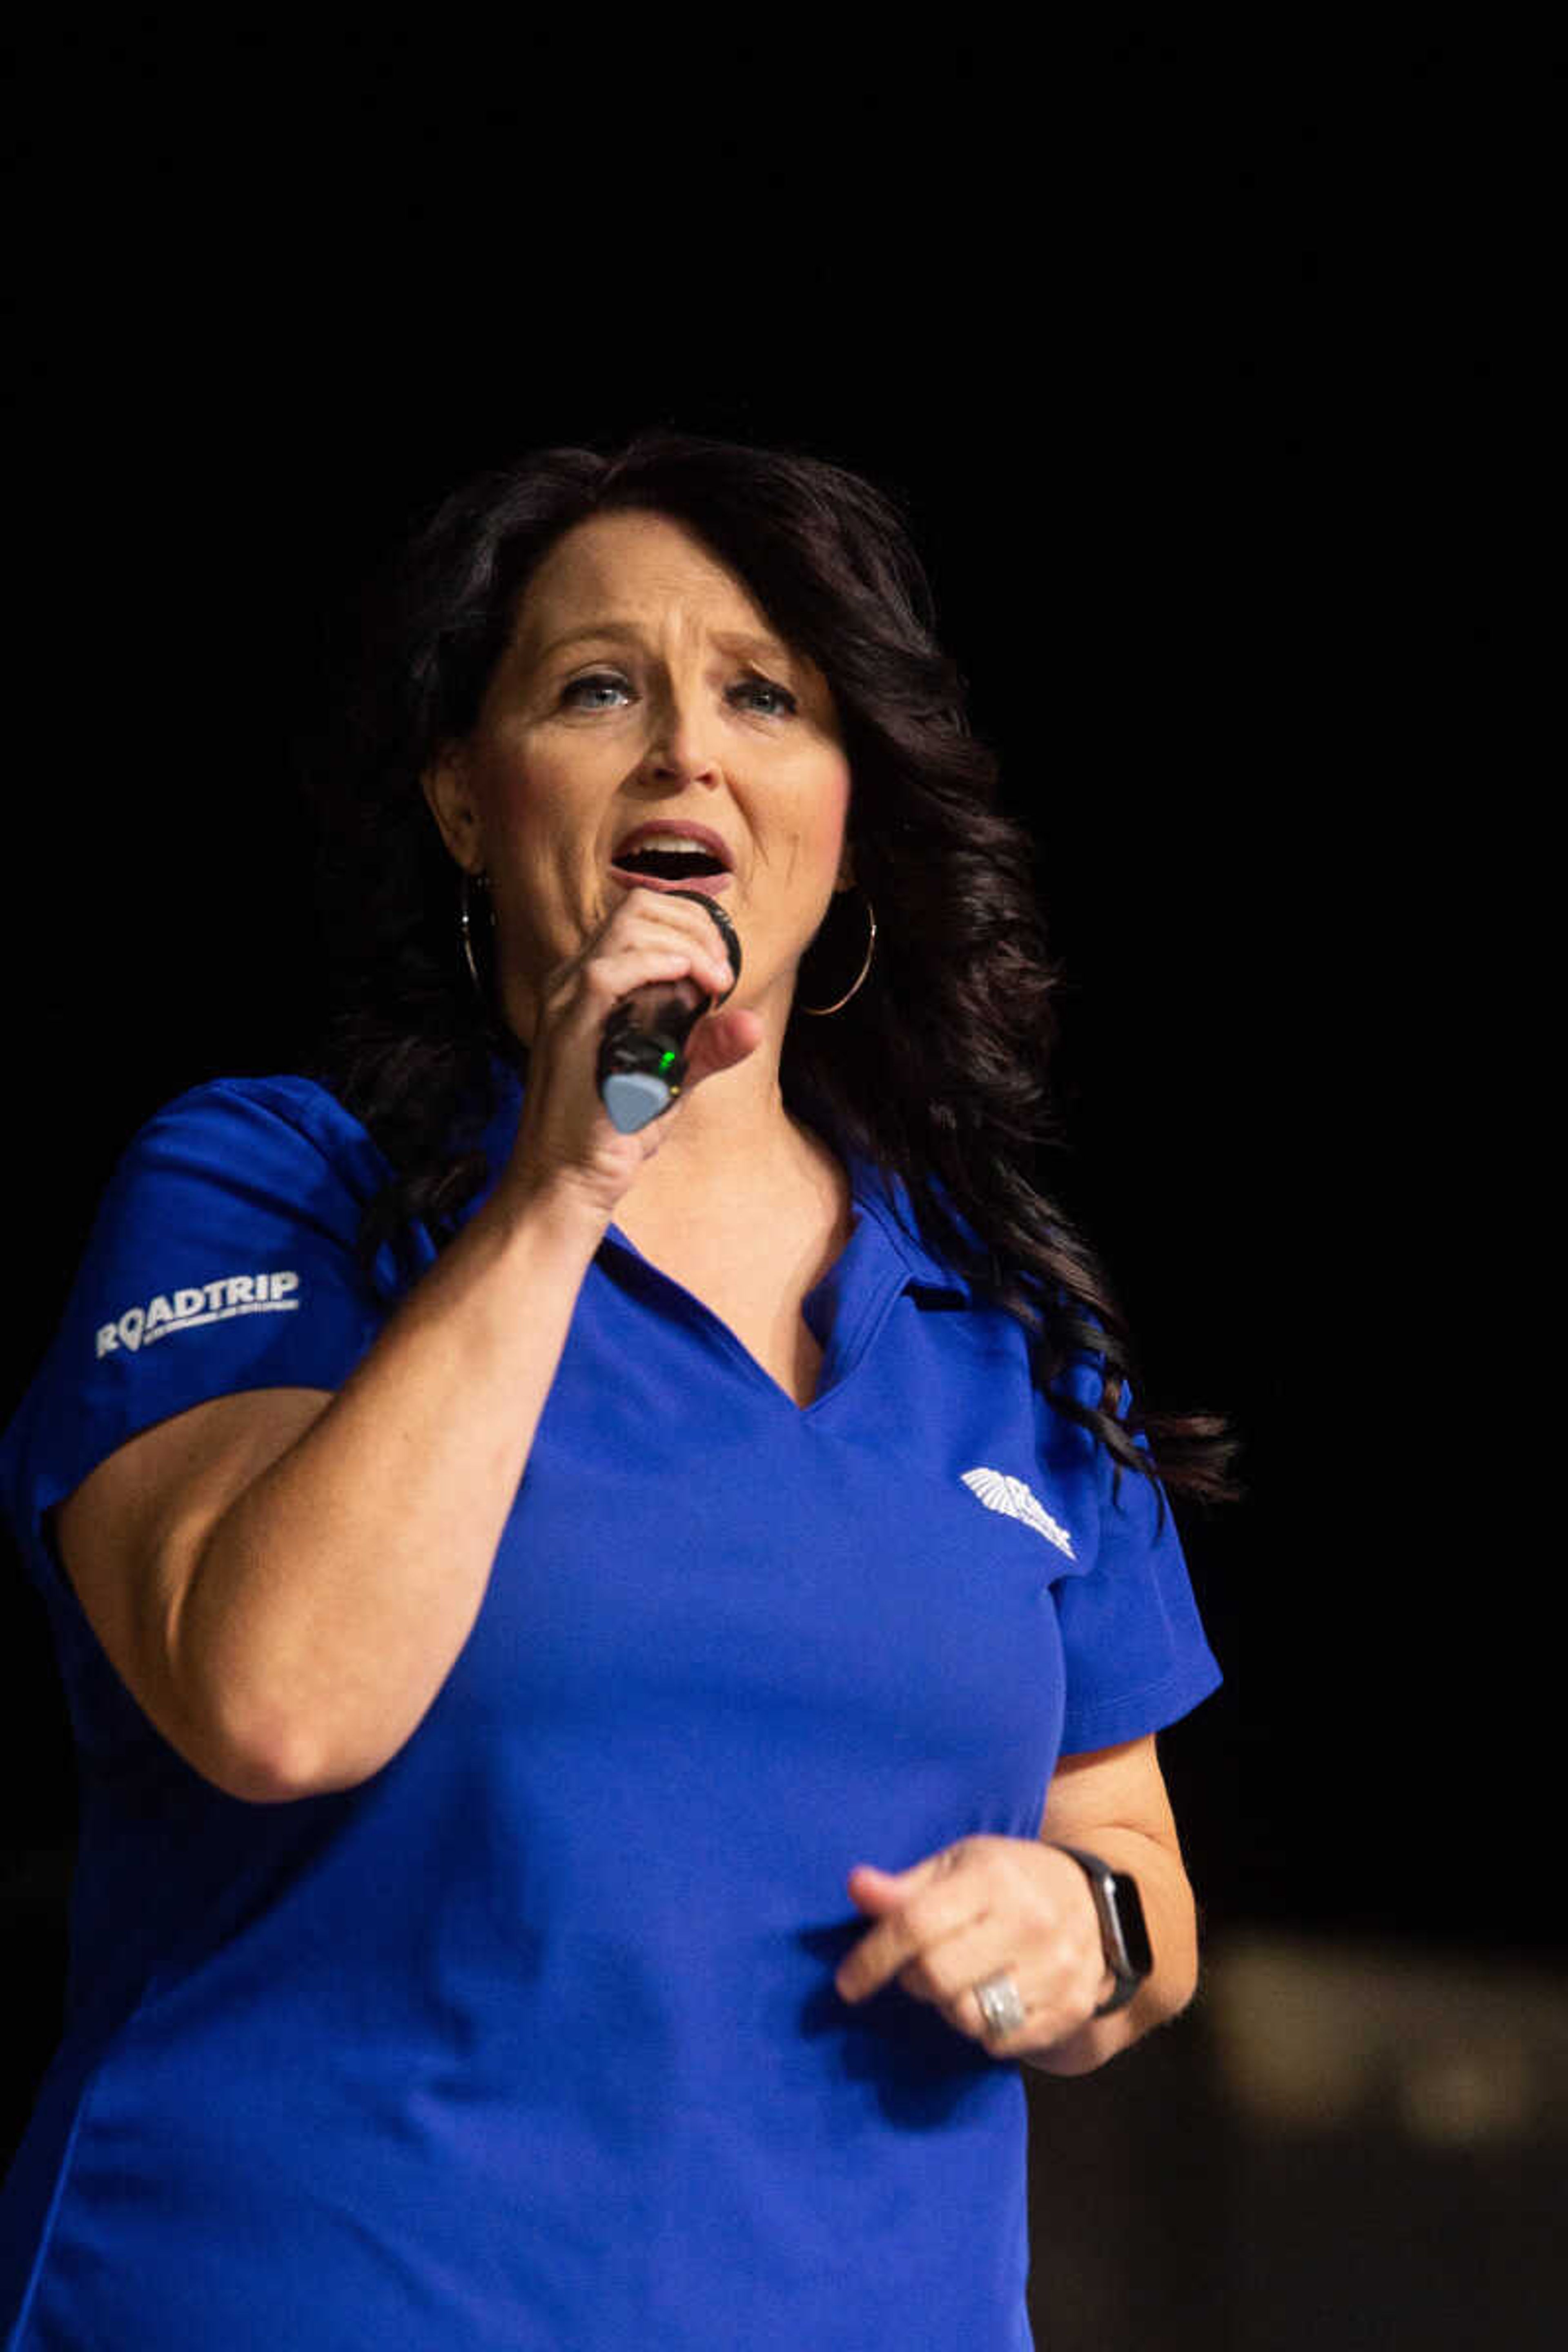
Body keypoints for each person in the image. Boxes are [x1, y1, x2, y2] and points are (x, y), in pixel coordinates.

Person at [0, 425, 1239, 2349]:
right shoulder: (274, 1187)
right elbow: (272, 1704)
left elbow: (1137, 1871)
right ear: (468, 801)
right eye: (597, 690)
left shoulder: (1002, 1325)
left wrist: (1082, 1936)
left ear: (845, 811)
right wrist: (563, 1188)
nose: (686, 749)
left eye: (766, 695)